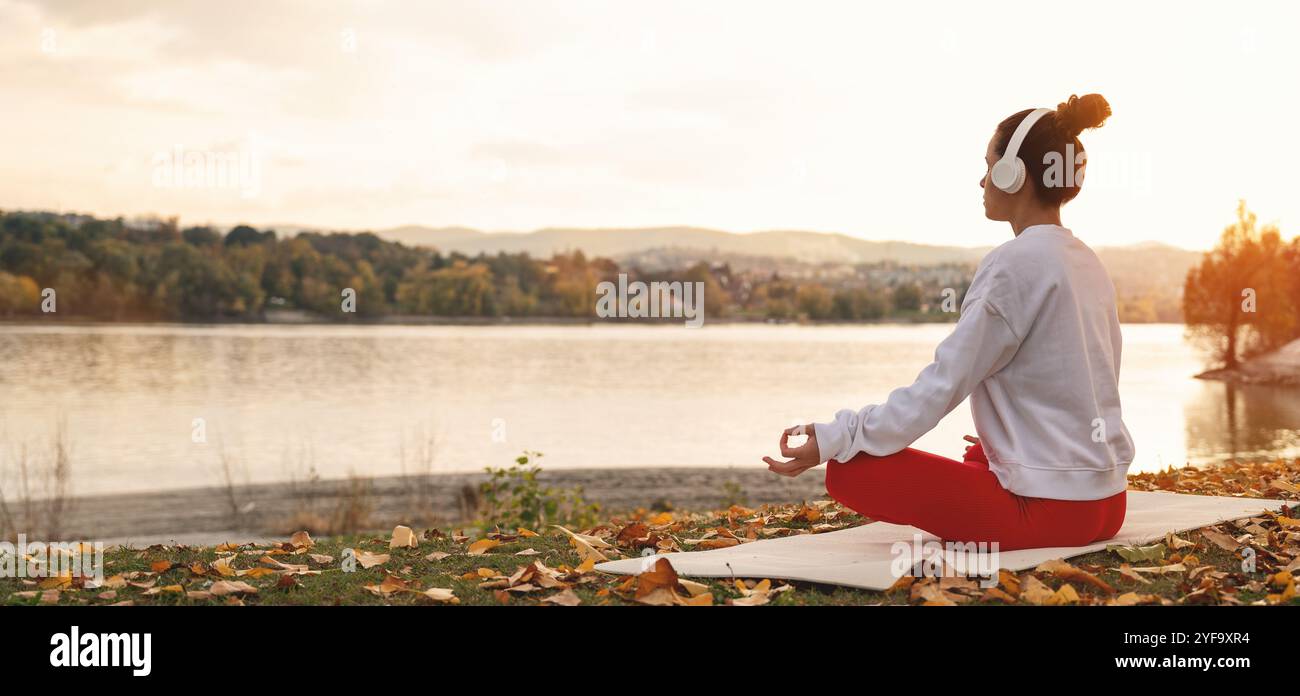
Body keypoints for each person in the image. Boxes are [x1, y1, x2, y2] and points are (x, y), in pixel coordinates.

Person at [764, 93, 1134, 552]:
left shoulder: (1012, 265)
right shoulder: (1088, 262)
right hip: (1107, 504)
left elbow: (942, 385)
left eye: (988, 165)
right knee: (980, 450)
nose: (982, 180)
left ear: (1011, 174)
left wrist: (836, 436)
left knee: (850, 469)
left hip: (1050, 514)